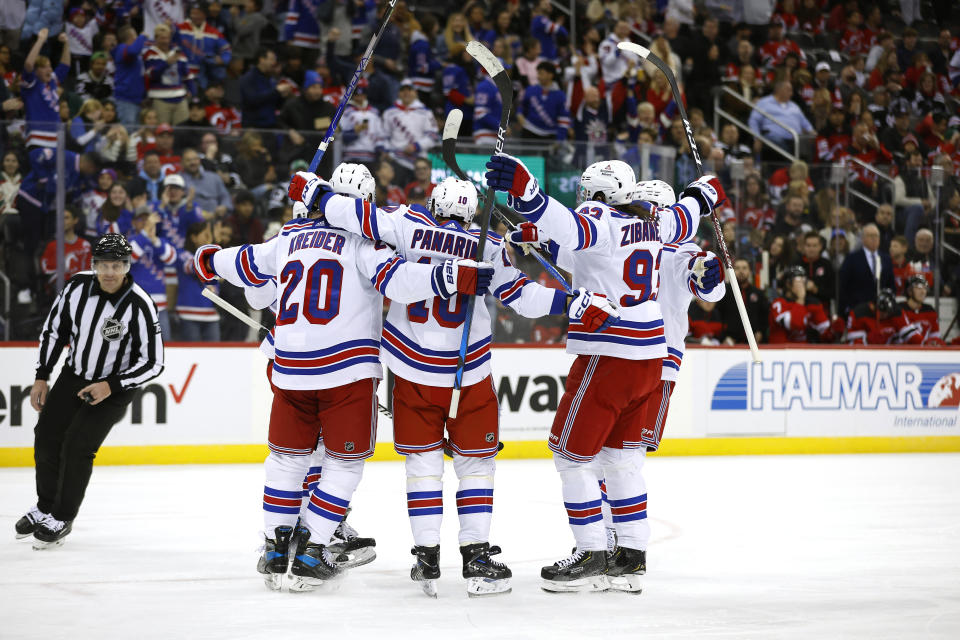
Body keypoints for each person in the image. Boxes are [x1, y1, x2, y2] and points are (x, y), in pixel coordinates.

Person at [315, 165, 618, 597]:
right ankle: (476, 559)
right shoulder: (490, 244)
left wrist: (318, 198)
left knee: (422, 466)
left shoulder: (407, 223)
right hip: (468, 375)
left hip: (410, 372)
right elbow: (524, 298)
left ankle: (427, 555)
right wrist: (572, 301)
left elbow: (358, 217)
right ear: (474, 212)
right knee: (475, 466)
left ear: (435, 204)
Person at [195, 172, 488, 592]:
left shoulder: (288, 238)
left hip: (290, 367)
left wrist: (207, 259)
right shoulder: (365, 244)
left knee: (286, 459)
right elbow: (402, 284)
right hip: (346, 370)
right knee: (343, 461)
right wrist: (451, 278)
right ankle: (314, 545)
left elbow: (240, 263)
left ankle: (275, 549)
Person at [485, 154, 722, 592]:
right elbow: (683, 217)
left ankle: (592, 550)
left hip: (608, 354)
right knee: (622, 458)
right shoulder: (656, 224)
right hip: (651, 356)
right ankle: (630, 557)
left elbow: (576, 230)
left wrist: (528, 193)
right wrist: (703, 193)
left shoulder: (600, 220)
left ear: (597, 196)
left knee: (570, 455)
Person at [16, 234, 165, 548]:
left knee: (78, 445)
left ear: (127, 266)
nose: (110, 272)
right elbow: (55, 331)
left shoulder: (140, 304)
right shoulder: (76, 287)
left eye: (117, 265)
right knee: (46, 436)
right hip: (75, 375)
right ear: (94, 264)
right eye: (104, 265)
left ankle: (62, 515)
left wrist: (111, 386)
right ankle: (45, 507)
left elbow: (154, 363)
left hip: (115, 386)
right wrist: (42, 375)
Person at [128, 209, 177, 340]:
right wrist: (145, 234)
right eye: (142, 220)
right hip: (136, 305)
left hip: (160, 306)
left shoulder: (160, 241)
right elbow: (130, 257)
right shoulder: (128, 240)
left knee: (167, 348)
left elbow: (171, 258)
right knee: (136, 346)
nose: (146, 223)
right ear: (133, 222)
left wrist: (154, 239)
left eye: (148, 220)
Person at [382, 79, 439, 182]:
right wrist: (387, 151)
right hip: (396, 160)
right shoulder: (389, 112)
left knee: (419, 196)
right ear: (399, 93)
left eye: (409, 90)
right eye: (403, 90)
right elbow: (384, 136)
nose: (406, 93)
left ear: (415, 92)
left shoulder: (425, 112)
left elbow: (433, 136)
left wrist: (416, 146)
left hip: (419, 162)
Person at [768, 266, 837, 343]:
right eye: (798, 280)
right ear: (788, 284)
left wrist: (836, 328)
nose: (802, 284)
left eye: (804, 280)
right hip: (780, 352)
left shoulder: (811, 304)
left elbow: (826, 333)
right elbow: (794, 324)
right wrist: (800, 299)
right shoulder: (778, 303)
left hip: (803, 352)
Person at [838, 223, 895, 315]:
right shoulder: (852, 258)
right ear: (863, 239)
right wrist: (845, 308)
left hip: (881, 311)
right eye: (870, 236)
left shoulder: (886, 259)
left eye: (876, 236)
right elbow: (843, 285)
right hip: (857, 309)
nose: (874, 238)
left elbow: (890, 284)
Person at [719, 257, 769, 345]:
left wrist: (760, 332)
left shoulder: (759, 293)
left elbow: (764, 317)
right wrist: (723, 337)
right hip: (729, 341)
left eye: (744, 268)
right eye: (737, 268)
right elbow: (719, 316)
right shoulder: (724, 292)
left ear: (750, 271)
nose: (741, 271)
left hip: (754, 342)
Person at [846, 288, 922, 344]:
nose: (885, 315)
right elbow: (851, 342)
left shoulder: (897, 312)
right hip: (866, 354)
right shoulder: (858, 313)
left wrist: (923, 343)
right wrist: (868, 339)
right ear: (875, 306)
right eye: (882, 312)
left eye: (887, 312)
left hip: (891, 354)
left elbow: (911, 334)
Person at [795, 231, 835, 311]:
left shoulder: (827, 265)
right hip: (801, 309)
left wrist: (816, 289)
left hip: (822, 310)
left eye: (814, 246)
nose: (811, 249)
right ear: (804, 247)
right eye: (808, 245)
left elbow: (833, 292)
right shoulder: (797, 264)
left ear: (820, 247)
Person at [901, 275, 943, 345]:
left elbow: (935, 335)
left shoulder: (930, 310)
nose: (923, 291)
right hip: (904, 352)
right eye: (919, 288)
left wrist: (935, 343)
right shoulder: (899, 310)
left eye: (925, 288)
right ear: (909, 291)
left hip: (925, 353)